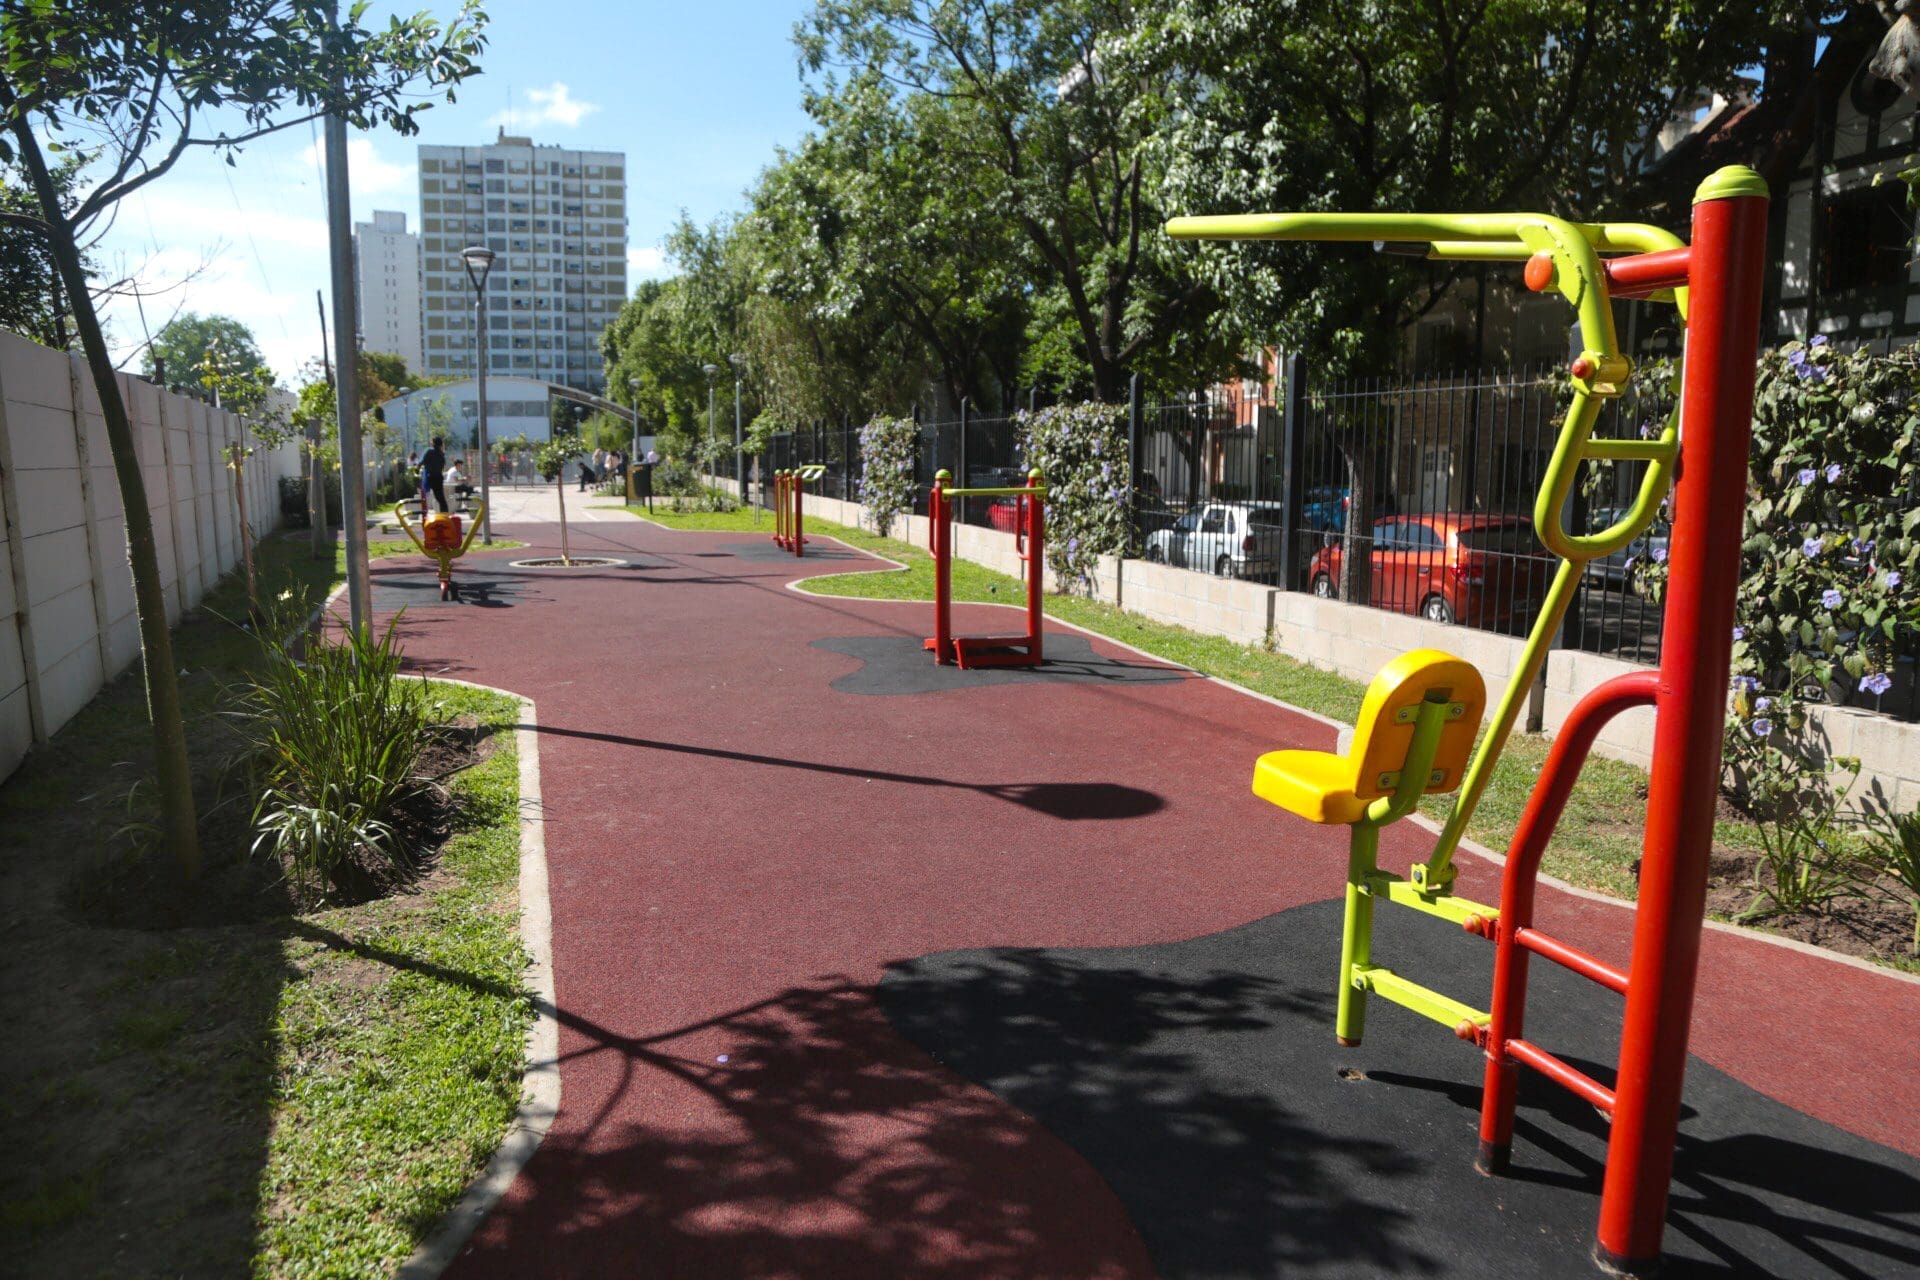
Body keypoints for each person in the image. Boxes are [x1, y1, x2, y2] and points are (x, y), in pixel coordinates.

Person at [419, 436, 448, 513]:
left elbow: (423, 461)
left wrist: (417, 466)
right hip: (439, 477)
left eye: (432, 442)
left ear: (434, 443)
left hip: (431, 477)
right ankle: (444, 512)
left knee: (434, 496)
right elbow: (442, 465)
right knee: (440, 497)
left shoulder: (430, 451)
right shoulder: (441, 454)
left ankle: (442, 512)